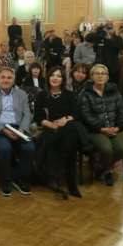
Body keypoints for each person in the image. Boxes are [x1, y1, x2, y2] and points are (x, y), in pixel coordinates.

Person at [0, 66, 35, 197]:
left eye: (9, 77)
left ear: (14, 80)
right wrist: (4, 130)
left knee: (30, 148)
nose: (6, 80)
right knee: (5, 148)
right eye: (3, 77)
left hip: (19, 128)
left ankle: (19, 178)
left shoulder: (22, 94)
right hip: (0, 129)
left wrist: (21, 130)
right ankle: (5, 181)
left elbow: (27, 115)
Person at [35, 67, 84, 198]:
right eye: (53, 75)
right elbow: (38, 117)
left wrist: (65, 119)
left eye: (59, 76)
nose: (55, 78)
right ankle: (65, 181)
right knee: (59, 142)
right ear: (48, 77)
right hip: (49, 128)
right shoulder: (42, 95)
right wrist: (50, 124)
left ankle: (61, 181)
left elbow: (76, 113)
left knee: (69, 135)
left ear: (63, 79)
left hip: (66, 128)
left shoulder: (69, 94)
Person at [79, 64, 123, 186]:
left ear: (107, 77)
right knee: (107, 149)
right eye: (97, 73)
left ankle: (101, 166)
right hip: (95, 130)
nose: (100, 76)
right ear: (92, 77)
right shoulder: (85, 93)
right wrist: (102, 129)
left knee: (122, 149)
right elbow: (86, 116)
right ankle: (108, 171)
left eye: (103, 73)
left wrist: (118, 127)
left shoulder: (114, 91)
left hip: (114, 127)